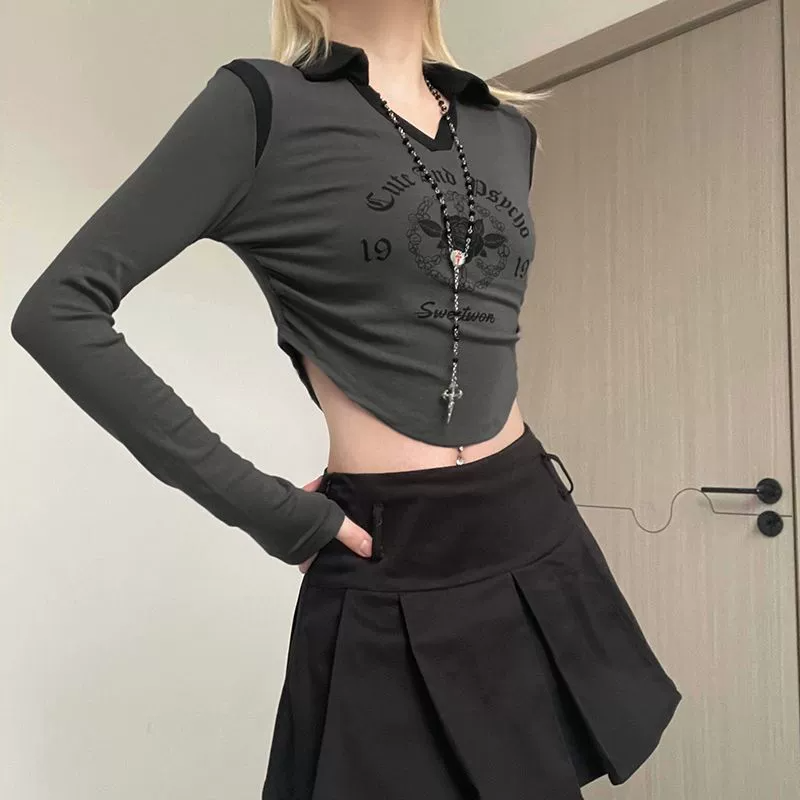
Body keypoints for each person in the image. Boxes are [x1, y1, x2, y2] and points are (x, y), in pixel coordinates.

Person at [10, 0, 682, 797]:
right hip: (388, 549)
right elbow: (58, 311)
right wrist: (267, 510)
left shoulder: (506, 130)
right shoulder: (261, 107)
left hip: (531, 523)